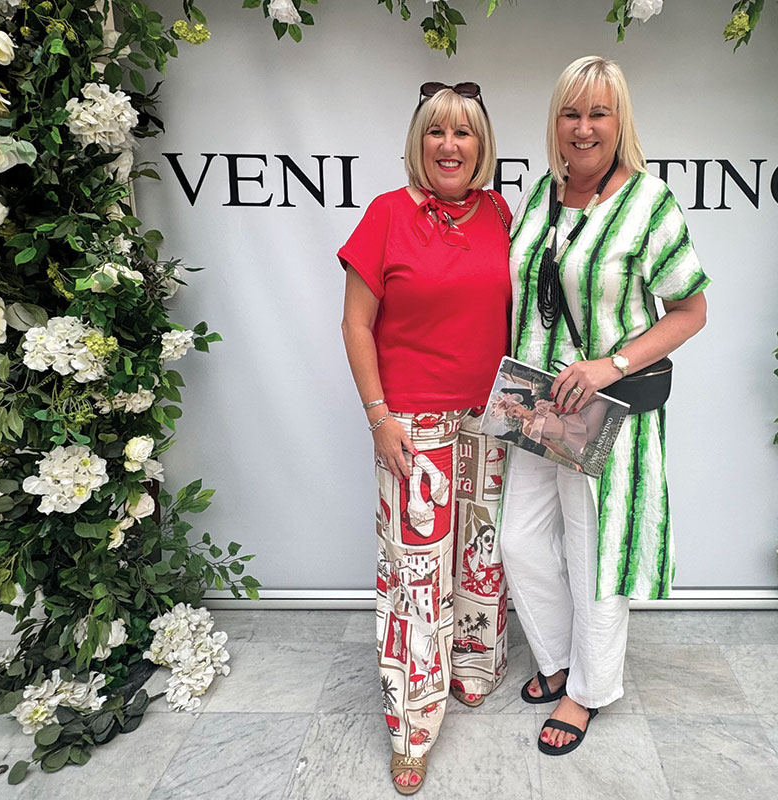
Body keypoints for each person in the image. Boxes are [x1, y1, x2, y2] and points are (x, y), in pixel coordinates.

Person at [500, 56, 710, 756]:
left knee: (595, 550)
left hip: (605, 407)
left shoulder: (649, 204)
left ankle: (588, 691)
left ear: (620, 122)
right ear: (554, 123)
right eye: (571, 113)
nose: (584, 128)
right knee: (521, 541)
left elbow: (690, 310)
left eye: (598, 113)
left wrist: (609, 364)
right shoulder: (541, 195)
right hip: (536, 402)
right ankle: (558, 660)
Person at [338, 82, 512, 794]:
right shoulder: (386, 214)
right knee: (416, 580)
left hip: (490, 418)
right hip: (412, 423)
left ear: (482, 146)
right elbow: (355, 325)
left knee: (480, 559)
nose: (450, 145)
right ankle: (412, 722)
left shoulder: (502, 212)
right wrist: (379, 418)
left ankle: (474, 665)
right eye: (437, 131)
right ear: (418, 141)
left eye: (464, 133)